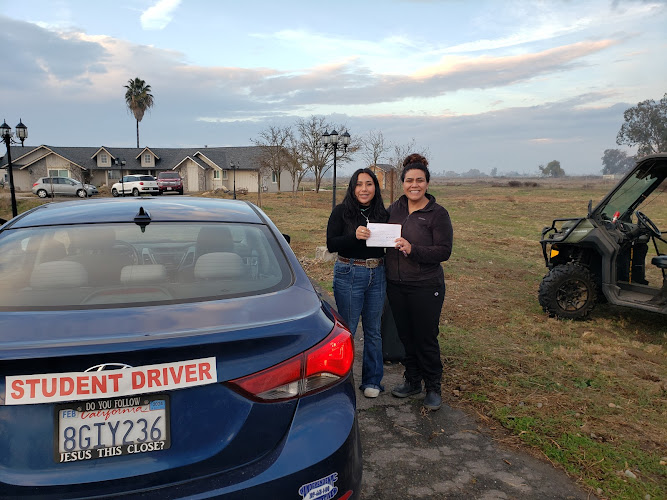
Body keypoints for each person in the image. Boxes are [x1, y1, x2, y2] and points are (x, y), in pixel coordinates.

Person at [385, 154, 453, 411]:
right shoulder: (394, 209)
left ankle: (433, 387)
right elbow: (379, 231)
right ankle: (412, 380)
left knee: (426, 337)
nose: (415, 185)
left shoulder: (437, 214)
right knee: (405, 336)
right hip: (396, 284)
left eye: (420, 180)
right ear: (402, 182)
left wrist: (414, 249)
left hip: (426, 285)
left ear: (427, 183)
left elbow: (444, 251)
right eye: (410, 180)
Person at [326, 168, 389, 398]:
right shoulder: (341, 212)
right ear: (353, 188)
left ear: (375, 187)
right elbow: (332, 243)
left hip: (378, 273)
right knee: (348, 330)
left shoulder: (382, 213)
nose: (364, 189)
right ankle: (342, 383)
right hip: (349, 272)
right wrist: (354, 236)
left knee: (373, 330)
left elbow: (387, 243)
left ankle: (373, 381)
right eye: (359, 184)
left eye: (369, 184)